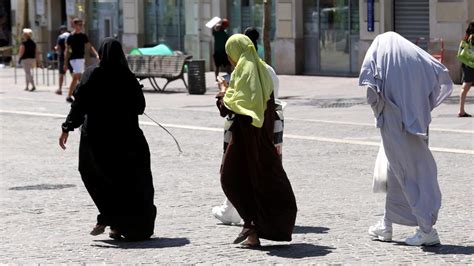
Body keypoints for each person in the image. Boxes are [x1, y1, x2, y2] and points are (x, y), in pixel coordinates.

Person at [359, 32, 453, 246]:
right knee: (396, 174)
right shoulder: (415, 57)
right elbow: (439, 76)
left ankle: (426, 229)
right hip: (417, 122)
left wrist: (381, 112)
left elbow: (371, 93)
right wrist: (418, 108)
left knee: (407, 174)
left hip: (393, 123)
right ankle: (387, 224)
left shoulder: (380, 56)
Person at [59, 38, 156, 241]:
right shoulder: (127, 77)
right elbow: (140, 108)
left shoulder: (92, 74)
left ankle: (109, 218)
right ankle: (120, 225)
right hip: (128, 139)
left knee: (96, 176)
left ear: (101, 53)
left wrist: (67, 127)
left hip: (97, 139)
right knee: (129, 182)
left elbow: (80, 104)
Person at [216, 34, 297, 247]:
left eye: (229, 54)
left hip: (244, 140)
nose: (230, 59)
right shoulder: (262, 70)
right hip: (263, 139)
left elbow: (228, 108)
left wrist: (223, 90)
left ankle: (251, 225)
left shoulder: (244, 73)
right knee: (256, 182)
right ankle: (252, 232)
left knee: (230, 179)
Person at [64, 18, 99, 102]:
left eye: (82, 25)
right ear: (75, 25)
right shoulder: (70, 37)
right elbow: (67, 50)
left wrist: (96, 54)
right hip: (73, 59)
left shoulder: (83, 36)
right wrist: (65, 63)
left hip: (81, 59)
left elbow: (89, 46)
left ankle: (69, 96)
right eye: (79, 25)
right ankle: (84, 95)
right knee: (80, 77)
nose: (81, 26)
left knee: (75, 78)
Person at [457, 22, 474, 117]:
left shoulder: (464, 40)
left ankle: (461, 110)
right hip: (472, 65)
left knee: (465, 88)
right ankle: (461, 111)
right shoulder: (472, 39)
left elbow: (459, 53)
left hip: (466, 65)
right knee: (466, 87)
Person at [54, 25, 71, 95]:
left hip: (62, 57)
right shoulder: (71, 35)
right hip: (72, 56)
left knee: (61, 74)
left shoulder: (60, 37)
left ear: (61, 31)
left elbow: (58, 48)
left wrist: (55, 48)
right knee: (74, 74)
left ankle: (60, 89)